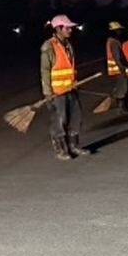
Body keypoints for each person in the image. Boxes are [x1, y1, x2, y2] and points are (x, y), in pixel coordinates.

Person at [41, 14, 88, 160]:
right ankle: (61, 149)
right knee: (60, 120)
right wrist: (48, 93)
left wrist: (74, 82)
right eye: (67, 27)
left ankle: (74, 145)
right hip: (57, 93)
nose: (70, 30)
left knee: (76, 117)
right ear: (59, 28)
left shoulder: (68, 45)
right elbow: (45, 71)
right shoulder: (49, 47)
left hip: (71, 89)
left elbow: (69, 68)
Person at [104, 21, 128, 111]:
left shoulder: (110, 41)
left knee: (120, 87)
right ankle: (122, 107)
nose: (120, 32)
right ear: (114, 31)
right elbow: (118, 58)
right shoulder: (114, 42)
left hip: (115, 69)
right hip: (119, 69)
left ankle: (121, 105)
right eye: (118, 30)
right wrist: (124, 69)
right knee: (122, 88)